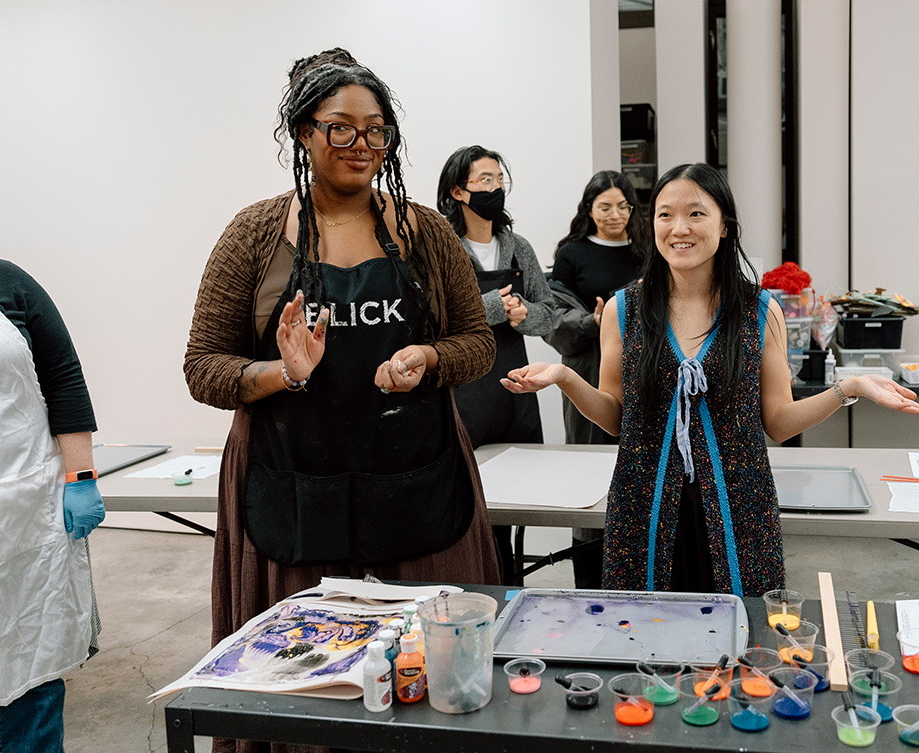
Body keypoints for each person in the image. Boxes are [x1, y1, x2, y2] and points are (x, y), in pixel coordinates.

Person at [183, 49, 501, 752]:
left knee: (422, 683)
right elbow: (203, 366)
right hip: (293, 487)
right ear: (303, 132)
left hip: (418, 479)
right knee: (311, 687)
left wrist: (428, 358)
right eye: (342, 128)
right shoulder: (253, 236)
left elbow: (476, 342)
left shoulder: (425, 230)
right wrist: (283, 373)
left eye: (378, 130)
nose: (363, 145)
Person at [502, 163, 919, 597]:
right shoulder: (624, 310)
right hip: (644, 507)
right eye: (665, 214)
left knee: (743, 644)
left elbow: (779, 421)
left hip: (738, 510)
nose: (678, 228)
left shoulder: (759, 310)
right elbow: (617, 418)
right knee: (645, 637)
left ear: (724, 226)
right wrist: (564, 377)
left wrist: (849, 387)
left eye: (696, 213)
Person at [0, 255, 104, 753]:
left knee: (33, 677)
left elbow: (63, 376)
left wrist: (80, 477)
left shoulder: (4, 282)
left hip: (25, 523)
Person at [437, 145, 554, 584]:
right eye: (485, 180)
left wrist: (526, 314)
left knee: (516, 502)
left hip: (515, 390)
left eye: (499, 179)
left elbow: (550, 314)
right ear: (458, 191)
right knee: (470, 504)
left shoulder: (517, 247)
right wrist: (491, 307)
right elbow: (433, 320)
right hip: (466, 394)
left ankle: (512, 588)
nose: (496, 187)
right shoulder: (442, 247)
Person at [544, 170, 646, 588]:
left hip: (640, 368)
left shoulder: (647, 250)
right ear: (589, 209)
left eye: (623, 206)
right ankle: (588, 573)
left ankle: (639, 561)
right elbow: (554, 319)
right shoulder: (571, 253)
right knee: (589, 465)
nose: (615, 214)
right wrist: (596, 320)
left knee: (637, 457)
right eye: (605, 206)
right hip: (587, 369)